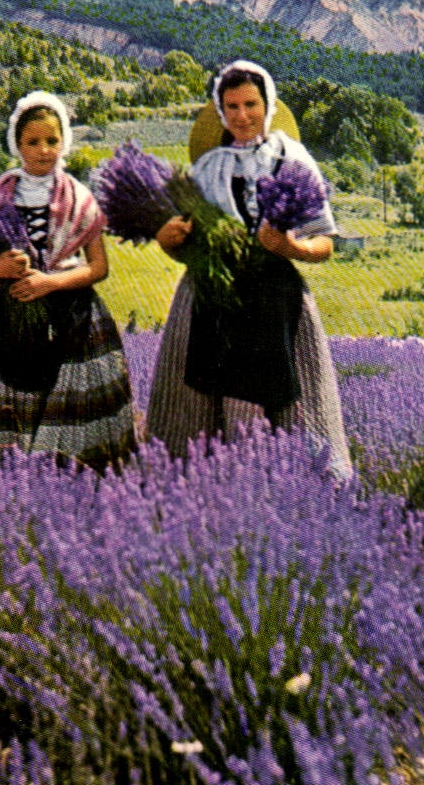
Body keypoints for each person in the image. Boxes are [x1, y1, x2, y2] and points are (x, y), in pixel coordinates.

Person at [145, 60, 353, 478]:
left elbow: (325, 244)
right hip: (208, 299)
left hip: (273, 300)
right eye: (232, 106)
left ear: (268, 105)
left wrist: (290, 245)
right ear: (221, 112)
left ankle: (292, 490)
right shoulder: (207, 170)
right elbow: (186, 246)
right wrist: (169, 241)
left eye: (251, 104)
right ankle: (194, 490)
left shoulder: (293, 163)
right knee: (197, 402)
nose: (242, 116)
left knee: (277, 400)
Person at [0, 92, 137, 468]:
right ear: (17, 145)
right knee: (9, 412)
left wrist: (50, 283)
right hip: (11, 317)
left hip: (74, 317)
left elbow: (98, 268)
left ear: (64, 142)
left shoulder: (80, 198)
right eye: (33, 142)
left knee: (72, 421)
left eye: (52, 141)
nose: (44, 150)